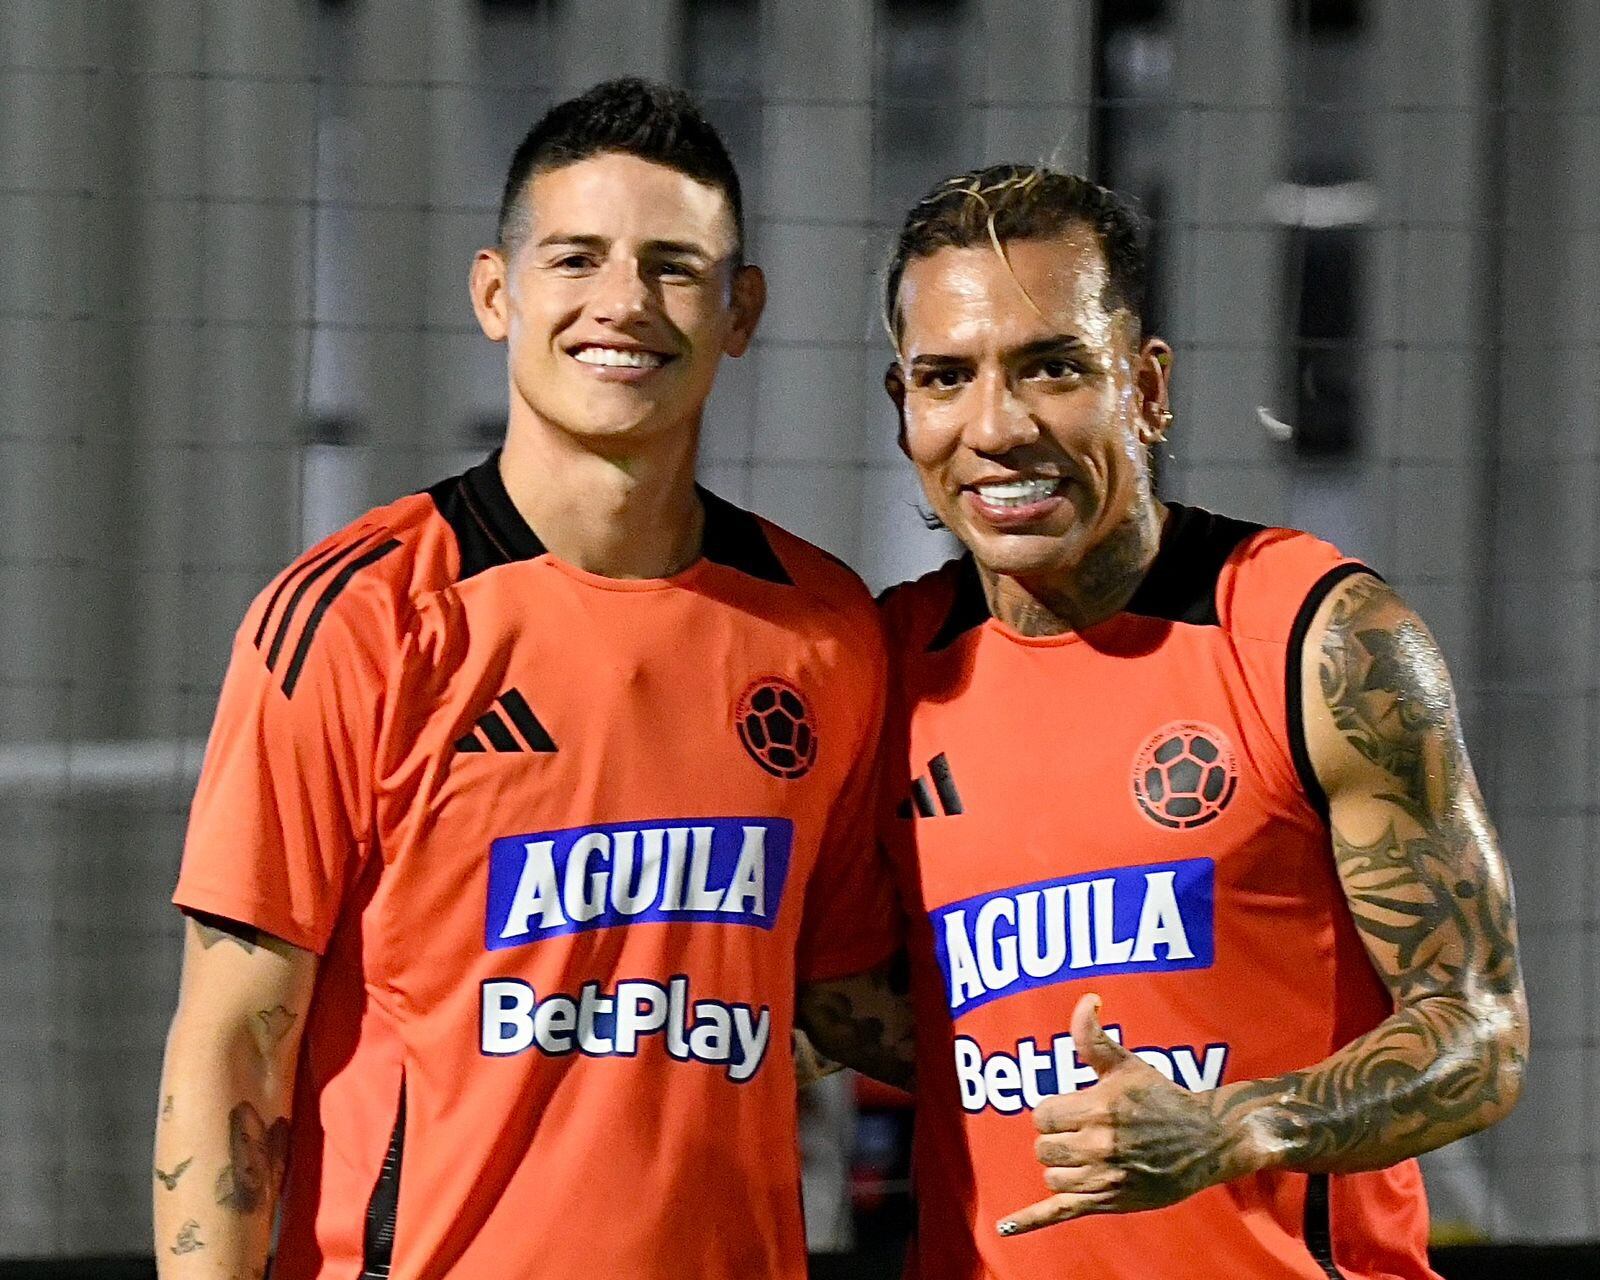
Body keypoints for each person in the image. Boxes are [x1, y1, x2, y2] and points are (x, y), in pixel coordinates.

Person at [153, 78, 907, 1280]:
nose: (622, 302)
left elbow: (832, 996)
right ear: (496, 294)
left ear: (739, 308)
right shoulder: (358, 617)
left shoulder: (825, 630)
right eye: (575, 258)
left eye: (672, 264)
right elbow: (235, 1042)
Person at [874, 165, 1528, 1279]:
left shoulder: (1315, 635)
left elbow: (1477, 1035)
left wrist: (1231, 1125)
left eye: (1052, 369)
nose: (997, 426)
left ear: (1147, 385)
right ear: (905, 409)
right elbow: (861, 1005)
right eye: (947, 376)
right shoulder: (877, 671)